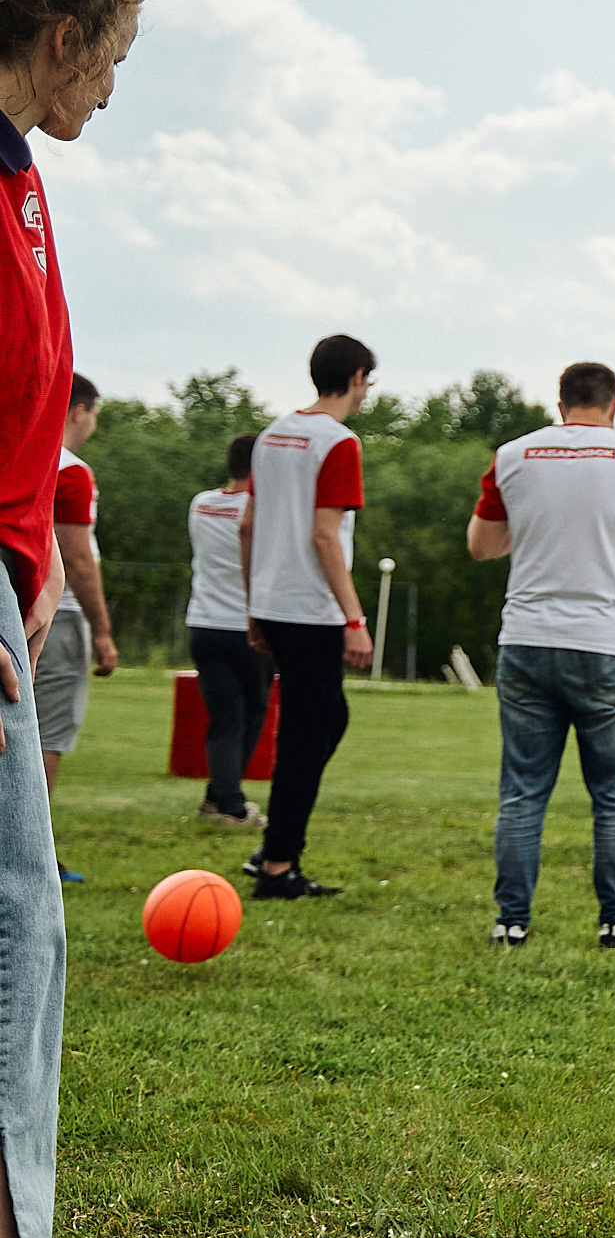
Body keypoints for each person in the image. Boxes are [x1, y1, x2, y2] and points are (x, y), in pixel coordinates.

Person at [1, 0, 149, 1238]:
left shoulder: (21, 175)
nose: (107, 91)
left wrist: (35, 565)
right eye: (109, 63)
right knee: (14, 921)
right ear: (61, 39)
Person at [466, 362, 615, 948]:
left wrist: (536, 526)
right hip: (607, 645)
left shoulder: (511, 456)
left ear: (561, 404)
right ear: (613, 405)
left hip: (527, 639)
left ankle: (511, 921)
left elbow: (482, 546)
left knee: (523, 791)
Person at [237, 334, 376, 901]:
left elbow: (247, 525)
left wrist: (254, 606)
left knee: (323, 721)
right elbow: (325, 536)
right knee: (305, 735)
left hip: (273, 602)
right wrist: (354, 619)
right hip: (312, 610)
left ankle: (278, 838)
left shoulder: (272, 435)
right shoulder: (338, 442)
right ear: (358, 377)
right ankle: (277, 866)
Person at [33, 375, 114, 884]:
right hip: (57, 615)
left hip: (13, 607)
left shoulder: (18, 455)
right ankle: (32, 850)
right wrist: (102, 631)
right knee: (47, 735)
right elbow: (79, 558)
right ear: (79, 410)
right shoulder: (70, 470)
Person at [186, 433, 269, 828]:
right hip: (249, 625)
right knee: (250, 714)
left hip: (204, 623)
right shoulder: (261, 510)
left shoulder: (201, 503)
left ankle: (215, 797)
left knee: (224, 716)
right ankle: (231, 805)